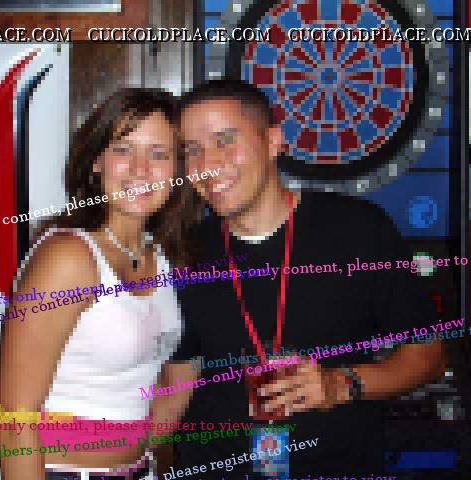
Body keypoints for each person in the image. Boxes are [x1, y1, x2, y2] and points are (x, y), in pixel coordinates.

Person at [160, 79, 447, 478]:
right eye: (192, 150)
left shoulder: (360, 231)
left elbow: (428, 358)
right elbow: (178, 380)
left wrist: (341, 384)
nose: (207, 164)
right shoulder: (186, 253)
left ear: (273, 141)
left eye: (226, 140)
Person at [0, 88, 199, 480]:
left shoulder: (162, 256)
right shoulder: (68, 257)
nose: (140, 169)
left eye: (159, 154)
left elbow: (169, 374)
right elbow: (14, 417)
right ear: (96, 161)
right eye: (123, 149)